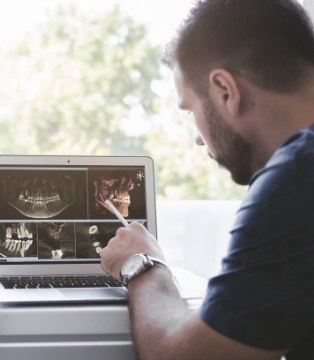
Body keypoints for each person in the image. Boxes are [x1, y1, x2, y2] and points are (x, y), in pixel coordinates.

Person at [100, 0, 314, 359]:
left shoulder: (296, 177)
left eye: (191, 109)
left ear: (225, 91)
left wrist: (143, 264)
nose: (199, 138)